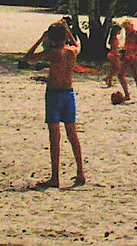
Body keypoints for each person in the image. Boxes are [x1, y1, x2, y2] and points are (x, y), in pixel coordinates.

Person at [38, 22, 86, 188]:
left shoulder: (52, 52)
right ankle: (80, 172)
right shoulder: (71, 52)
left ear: (51, 39)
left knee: (54, 137)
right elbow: (76, 44)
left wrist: (40, 39)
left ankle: (55, 177)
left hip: (54, 95)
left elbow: (28, 58)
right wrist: (68, 32)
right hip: (68, 94)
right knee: (72, 135)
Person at [118, 20, 137, 104]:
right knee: (121, 75)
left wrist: (132, 54)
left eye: (127, 28)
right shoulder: (127, 34)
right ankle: (127, 94)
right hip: (129, 55)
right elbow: (126, 45)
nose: (126, 30)